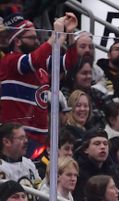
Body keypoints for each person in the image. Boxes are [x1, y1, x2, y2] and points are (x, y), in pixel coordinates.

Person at [0, 12, 79, 152]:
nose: (37, 41)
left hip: (39, 138)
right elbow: (34, 60)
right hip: (14, 137)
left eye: (37, 37)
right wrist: (55, 37)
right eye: (31, 38)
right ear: (17, 41)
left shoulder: (40, 65)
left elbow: (68, 62)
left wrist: (70, 33)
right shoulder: (10, 61)